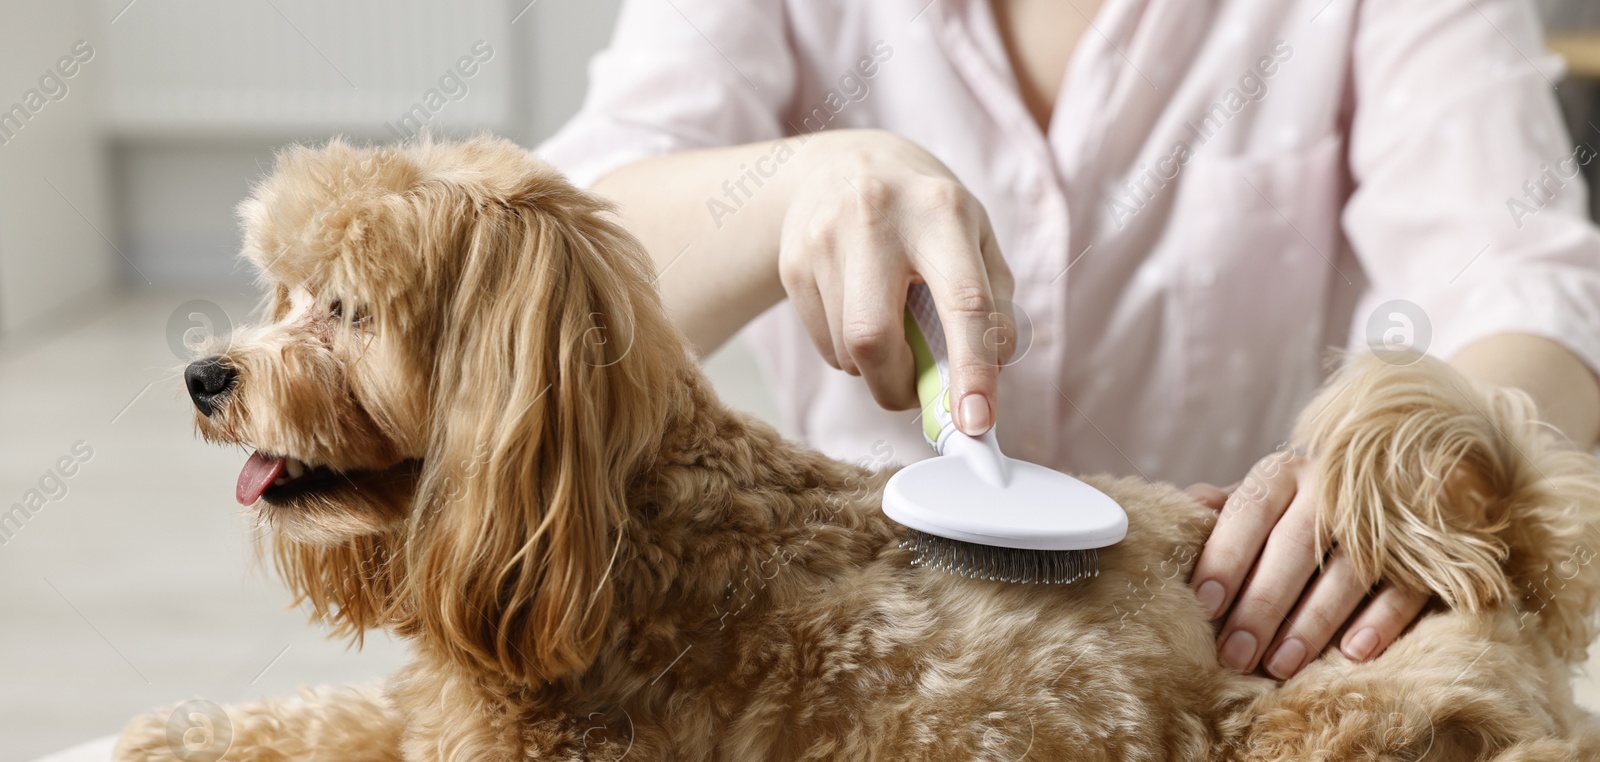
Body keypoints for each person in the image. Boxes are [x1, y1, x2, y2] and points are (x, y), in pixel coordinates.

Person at [537, 0, 1600, 680]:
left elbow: (1527, 282)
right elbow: (543, 262)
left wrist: (1415, 453)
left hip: (1229, 647)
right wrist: (788, 190)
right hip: (869, 654)